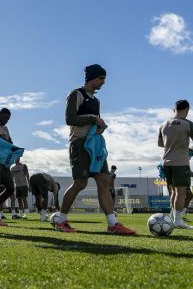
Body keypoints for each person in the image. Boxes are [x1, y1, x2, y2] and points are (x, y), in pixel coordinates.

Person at [53, 64, 135, 235]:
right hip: (79, 143)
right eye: (101, 78)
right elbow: (70, 119)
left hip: (95, 144)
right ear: (91, 78)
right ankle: (61, 221)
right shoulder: (76, 94)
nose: (103, 82)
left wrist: (100, 127)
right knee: (80, 183)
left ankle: (113, 224)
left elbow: (94, 121)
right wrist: (92, 118)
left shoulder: (97, 101)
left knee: (104, 180)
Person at [158, 100, 193, 229]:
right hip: (181, 162)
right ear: (187, 110)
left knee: (173, 192)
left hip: (166, 162)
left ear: (174, 110)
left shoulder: (163, 124)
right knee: (181, 193)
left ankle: (173, 219)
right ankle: (178, 221)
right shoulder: (188, 124)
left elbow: (160, 144)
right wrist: (190, 149)